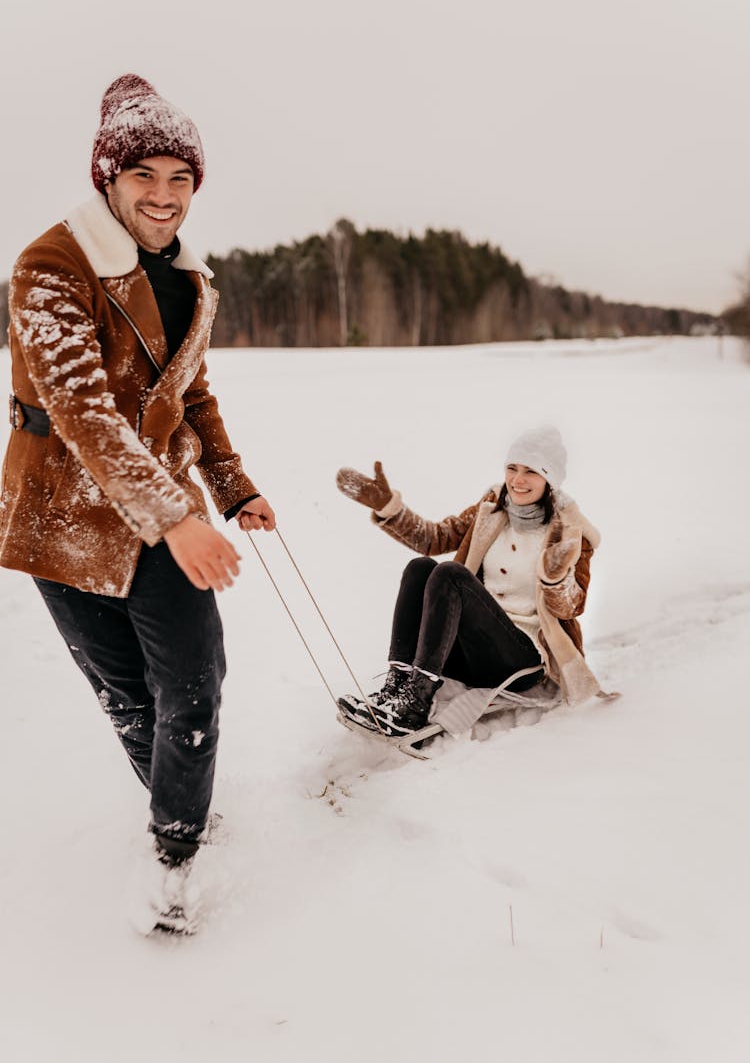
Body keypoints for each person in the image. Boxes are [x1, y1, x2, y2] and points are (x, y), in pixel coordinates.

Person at [0, 74, 275, 930]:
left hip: (163, 507)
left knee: (193, 683)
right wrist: (179, 516)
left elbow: (190, 394)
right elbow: (81, 410)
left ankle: (177, 847)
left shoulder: (192, 279)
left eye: (180, 179)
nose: (164, 197)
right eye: (144, 177)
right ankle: (171, 799)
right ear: (108, 180)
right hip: (64, 516)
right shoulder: (50, 265)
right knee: (128, 695)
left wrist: (230, 486)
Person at [335, 425, 606, 737]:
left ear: (550, 479)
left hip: (520, 660)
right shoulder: (490, 508)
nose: (517, 480)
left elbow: (573, 606)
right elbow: (434, 539)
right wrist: (388, 508)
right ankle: (397, 686)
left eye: (531, 471)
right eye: (512, 468)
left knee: (452, 575)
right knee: (420, 567)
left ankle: (415, 702)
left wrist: (555, 577)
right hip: (470, 650)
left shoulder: (570, 533)